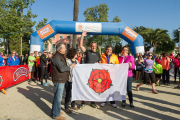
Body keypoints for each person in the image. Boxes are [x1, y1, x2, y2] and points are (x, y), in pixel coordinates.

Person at [51, 43, 75, 120]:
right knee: (58, 98)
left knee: (57, 97)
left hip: (61, 79)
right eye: (64, 48)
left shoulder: (60, 56)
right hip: (59, 80)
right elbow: (62, 68)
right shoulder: (56, 57)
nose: (66, 49)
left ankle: (54, 111)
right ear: (60, 49)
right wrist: (70, 67)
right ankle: (56, 114)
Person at [79, 31, 101, 109]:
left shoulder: (98, 54)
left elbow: (100, 64)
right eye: (92, 46)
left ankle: (92, 102)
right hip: (86, 74)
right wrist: (82, 36)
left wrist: (98, 64)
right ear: (90, 46)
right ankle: (83, 102)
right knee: (85, 88)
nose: (94, 47)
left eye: (95, 46)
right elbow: (81, 45)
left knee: (93, 88)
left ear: (96, 46)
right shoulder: (87, 52)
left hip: (95, 74)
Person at [64, 48, 79, 114]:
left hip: (75, 80)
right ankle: (66, 107)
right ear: (73, 54)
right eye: (76, 53)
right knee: (68, 93)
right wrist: (71, 67)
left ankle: (73, 105)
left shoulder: (77, 61)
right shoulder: (68, 61)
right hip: (69, 80)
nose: (77, 54)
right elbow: (66, 70)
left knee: (74, 93)